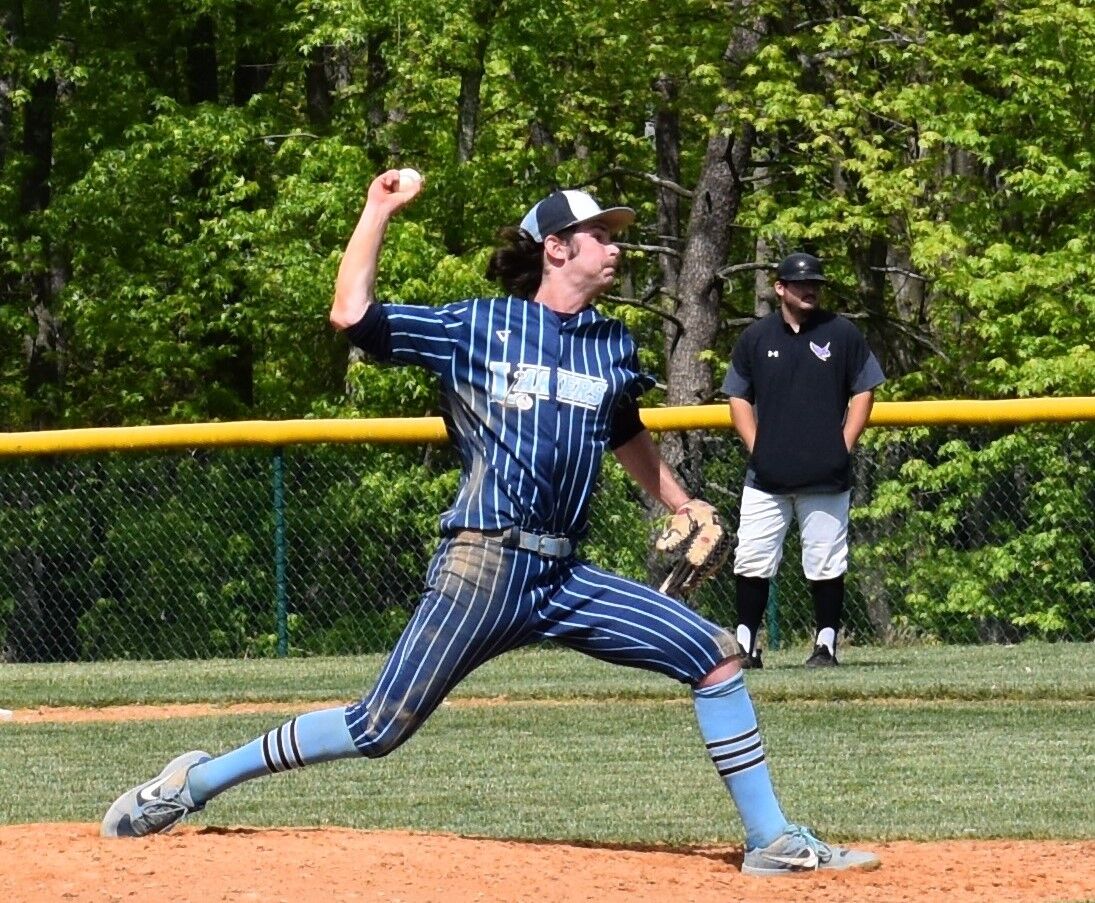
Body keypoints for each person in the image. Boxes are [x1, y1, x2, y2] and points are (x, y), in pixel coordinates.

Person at [100, 173, 879, 876]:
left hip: (564, 575)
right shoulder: (479, 327)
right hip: (483, 565)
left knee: (712, 655)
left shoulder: (612, 343)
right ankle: (193, 781)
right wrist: (377, 208)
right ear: (557, 248)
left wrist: (680, 501)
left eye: (614, 233)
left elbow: (624, 433)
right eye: (600, 234)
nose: (615, 245)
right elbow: (352, 314)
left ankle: (770, 839)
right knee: (377, 727)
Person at [722, 252, 885, 669]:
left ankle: (825, 645)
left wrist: (843, 444)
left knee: (826, 561)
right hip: (766, 476)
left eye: (815, 283)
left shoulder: (842, 332)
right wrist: (757, 446)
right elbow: (737, 395)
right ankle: (746, 646)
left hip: (826, 474)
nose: (809, 289)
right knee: (753, 558)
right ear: (780, 289)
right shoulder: (757, 337)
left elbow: (864, 389)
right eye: (799, 283)